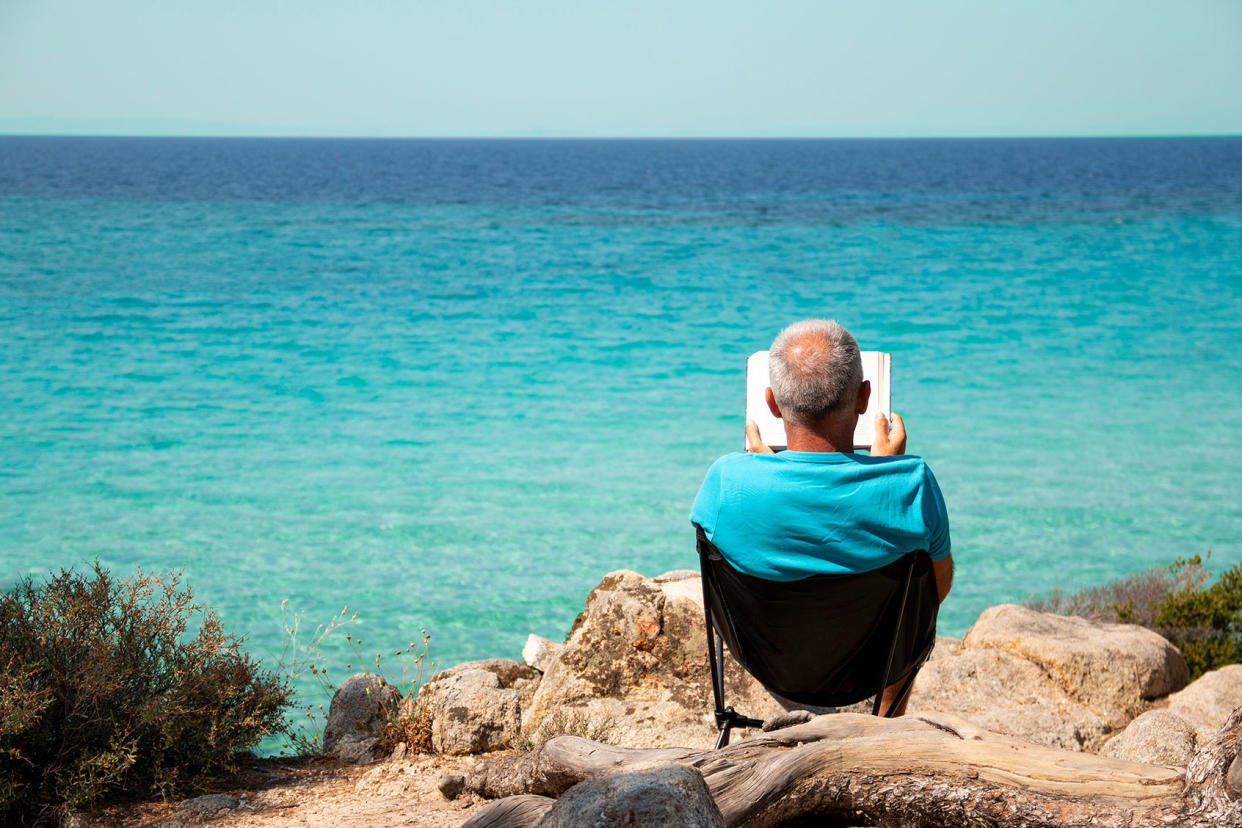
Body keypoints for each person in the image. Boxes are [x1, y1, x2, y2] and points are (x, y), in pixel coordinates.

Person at [691, 318, 953, 716]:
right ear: (865, 399)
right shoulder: (911, 485)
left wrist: (763, 467)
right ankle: (883, 723)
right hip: (874, 669)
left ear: (772, 403)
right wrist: (886, 472)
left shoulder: (725, 481)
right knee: (908, 609)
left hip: (771, 666)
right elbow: (936, 591)